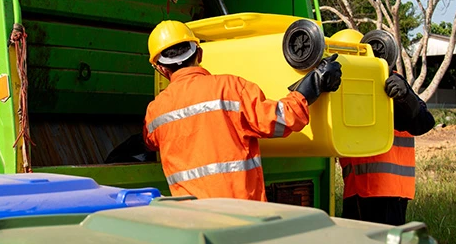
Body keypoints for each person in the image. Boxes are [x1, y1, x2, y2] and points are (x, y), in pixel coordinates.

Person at [143, 20, 342, 201]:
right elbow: (282, 120)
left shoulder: (155, 112)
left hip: (195, 221)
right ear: (200, 54)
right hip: (242, 215)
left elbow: (149, 142)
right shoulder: (231, 88)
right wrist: (314, 84)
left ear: (161, 69)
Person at [340, 72, 435, 225]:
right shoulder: (345, 78)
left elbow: (424, 122)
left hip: (388, 191)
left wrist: (405, 97)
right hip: (355, 189)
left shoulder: (390, 79)